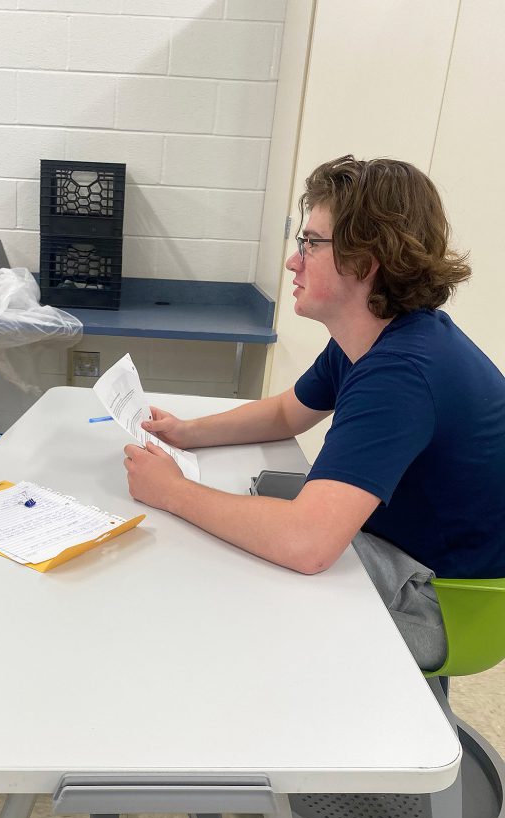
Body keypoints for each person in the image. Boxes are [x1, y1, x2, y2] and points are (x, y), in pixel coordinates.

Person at [124, 155, 505, 671]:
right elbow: (287, 413)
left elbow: (307, 543)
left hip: (448, 602)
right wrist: (187, 433)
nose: (293, 261)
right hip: (409, 548)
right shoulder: (373, 334)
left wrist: (170, 490)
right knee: (235, 528)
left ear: (364, 260)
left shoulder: (402, 371)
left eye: (310, 243)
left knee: (228, 580)